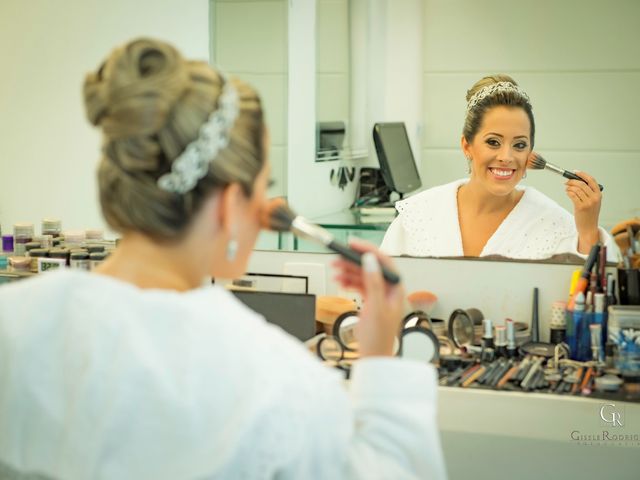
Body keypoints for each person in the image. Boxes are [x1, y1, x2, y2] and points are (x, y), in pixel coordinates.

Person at [0, 39, 446, 479]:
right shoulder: (274, 381)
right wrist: (382, 363)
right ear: (231, 203)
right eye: (263, 184)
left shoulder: (14, 325)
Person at [381, 74, 617, 260]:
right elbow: (378, 295)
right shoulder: (418, 216)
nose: (506, 156)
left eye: (519, 144)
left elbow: (585, 300)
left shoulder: (554, 223)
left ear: (530, 153)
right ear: (467, 145)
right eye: (493, 142)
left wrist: (587, 230)